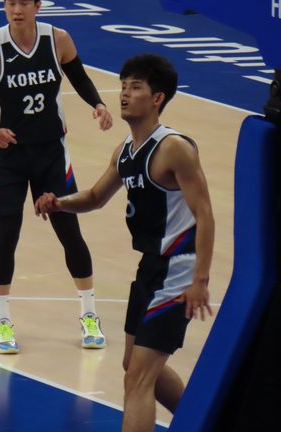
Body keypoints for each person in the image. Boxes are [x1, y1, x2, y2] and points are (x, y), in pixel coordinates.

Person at [34, 53, 214, 431]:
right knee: (134, 366)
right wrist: (59, 202)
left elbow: (205, 214)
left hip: (178, 268)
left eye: (135, 87)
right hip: (150, 267)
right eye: (123, 86)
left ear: (157, 98)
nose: (124, 94)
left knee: (138, 380)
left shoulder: (174, 148)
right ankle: (208, 421)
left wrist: (200, 279)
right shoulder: (125, 151)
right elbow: (96, 197)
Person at [0, 0, 113, 353]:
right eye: (10, 2)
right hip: (8, 157)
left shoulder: (57, 40)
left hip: (50, 153)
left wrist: (97, 103)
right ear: (4, 5)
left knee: (69, 230)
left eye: (24, 3)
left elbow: (79, 78)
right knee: (8, 233)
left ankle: (89, 314)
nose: (17, 9)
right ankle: (2, 323)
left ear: (37, 6)